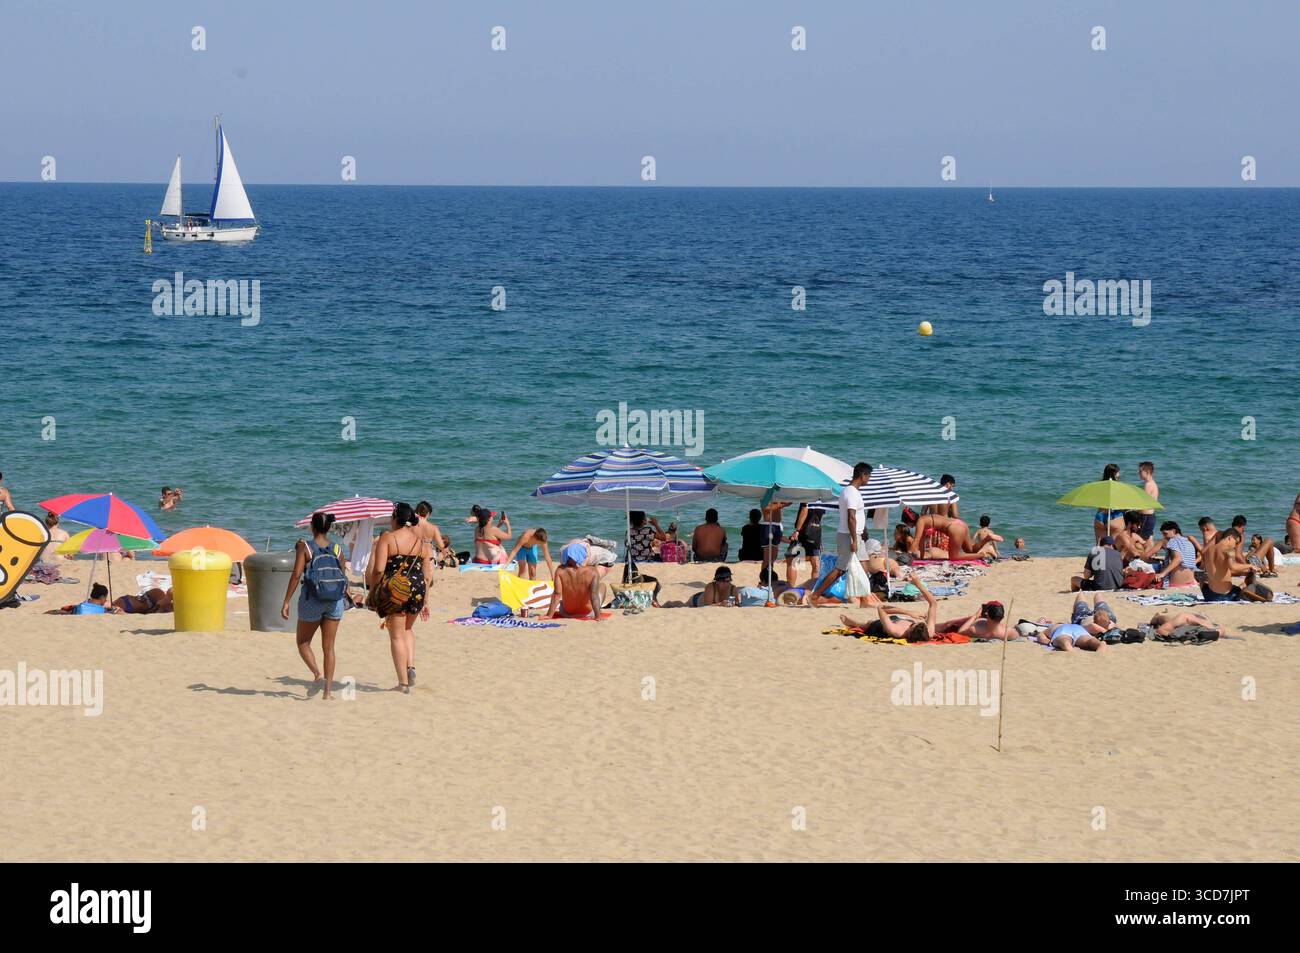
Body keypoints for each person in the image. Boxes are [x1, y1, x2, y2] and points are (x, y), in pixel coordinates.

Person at [283, 512, 353, 700]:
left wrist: (287, 601)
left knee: (303, 642)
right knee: (329, 648)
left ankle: (317, 674)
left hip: (312, 600)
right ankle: (328, 693)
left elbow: (297, 575)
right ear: (328, 527)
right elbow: (343, 574)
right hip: (334, 602)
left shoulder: (305, 547)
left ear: (312, 527)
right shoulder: (337, 548)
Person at [366, 503, 434, 693]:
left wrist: (373, 592)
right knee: (407, 629)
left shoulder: (387, 537)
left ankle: (403, 683)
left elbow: (379, 569)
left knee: (396, 635)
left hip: (396, 590)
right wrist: (426, 600)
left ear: (395, 518)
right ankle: (410, 666)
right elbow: (428, 574)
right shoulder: (421, 542)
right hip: (418, 587)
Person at [811, 462, 873, 601]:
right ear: (863, 475)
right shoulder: (851, 492)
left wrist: (861, 533)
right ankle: (815, 595)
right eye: (868, 476)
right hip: (849, 535)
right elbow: (851, 517)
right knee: (840, 569)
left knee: (864, 568)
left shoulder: (849, 491)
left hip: (854, 534)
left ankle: (864, 601)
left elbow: (855, 517)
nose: (869, 479)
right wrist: (854, 540)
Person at [838, 574, 938, 642]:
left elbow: (881, 608)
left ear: (910, 632)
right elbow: (933, 603)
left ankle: (853, 623)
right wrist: (918, 584)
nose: (913, 622)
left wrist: (909, 612)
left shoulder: (896, 631)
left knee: (869, 624)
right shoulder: (928, 632)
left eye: (912, 625)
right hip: (899, 619)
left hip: (880, 628)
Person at [547, 543, 605, 620]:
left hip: (566, 612)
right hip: (588, 612)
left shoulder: (560, 571)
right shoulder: (592, 571)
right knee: (602, 586)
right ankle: (598, 612)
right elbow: (593, 595)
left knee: (563, 598)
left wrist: (549, 615)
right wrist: (598, 616)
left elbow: (557, 594)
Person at [1199, 527, 1253, 601]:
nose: (1235, 546)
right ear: (1230, 537)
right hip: (1226, 596)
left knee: (1202, 580)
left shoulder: (1209, 549)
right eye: (1236, 542)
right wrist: (1250, 565)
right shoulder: (1229, 550)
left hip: (1210, 595)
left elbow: (1203, 553)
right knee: (1244, 586)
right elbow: (1232, 567)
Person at [907, 512, 977, 560]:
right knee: (970, 551)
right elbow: (921, 542)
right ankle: (983, 548)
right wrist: (921, 558)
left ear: (909, 522)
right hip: (960, 523)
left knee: (953, 557)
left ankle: (981, 555)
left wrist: (908, 554)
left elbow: (916, 539)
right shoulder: (924, 518)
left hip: (954, 528)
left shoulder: (920, 521)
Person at [784, 503, 824, 585]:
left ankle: (790, 587)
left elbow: (804, 509)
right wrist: (819, 539)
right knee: (815, 563)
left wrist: (797, 531)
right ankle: (813, 589)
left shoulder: (808, 494)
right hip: (815, 533)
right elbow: (818, 519)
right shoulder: (822, 498)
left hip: (803, 532)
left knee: (791, 560)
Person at [1152, 521, 1199, 588]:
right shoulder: (1188, 542)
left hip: (1178, 584)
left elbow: (1178, 559)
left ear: (1173, 531)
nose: (1164, 537)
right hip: (1192, 583)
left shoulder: (1173, 541)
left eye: (1165, 534)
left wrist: (1162, 574)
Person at [936, 600, 1009, 640]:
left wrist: (975, 616)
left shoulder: (975, 629)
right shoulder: (1007, 632)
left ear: (988, 615)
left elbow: (960, 631)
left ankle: (930, 626)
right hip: (990, 623)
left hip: (965, 626)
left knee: (949, 624)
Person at [1092, 463, 1126, 542]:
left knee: (1099, 547)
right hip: (1114, 516)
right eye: (1118, 472)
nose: (1119, 474)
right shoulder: (1117, 486)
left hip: (1100, 516)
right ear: (1114, 473)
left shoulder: (1099, 485)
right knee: (1115, 546)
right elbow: (1120, 504)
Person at [1149, 611, 1223, 639]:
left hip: (1196, 619)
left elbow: (1221, 631)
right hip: (1176, 620)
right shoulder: (1182, 619)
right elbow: (1160, 630)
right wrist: (1173, 636)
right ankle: (1158, 615)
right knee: (1162, 620)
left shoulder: (1209, 624)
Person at [1137, 461, 1159, 540]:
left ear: (1148, 472)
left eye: (1140, 471)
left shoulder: (1148, 484)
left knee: (1141, 539)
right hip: (1150, 516)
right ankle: (1152, 552)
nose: (1139, 473)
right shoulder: (1152, 483)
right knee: (1149, 539)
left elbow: (1143, 502)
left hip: (1146, 516)